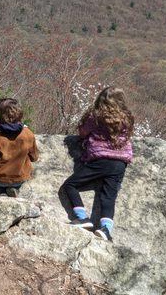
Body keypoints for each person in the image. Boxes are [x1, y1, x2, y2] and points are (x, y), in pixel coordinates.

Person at [61, 86, 134, 241]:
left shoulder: (95, 116)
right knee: (108, 197)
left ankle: (82, 218)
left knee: (70, 185)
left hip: (100, 161)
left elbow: (82, 132)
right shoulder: (127, 117)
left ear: (100, 99)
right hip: (120, 164)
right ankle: (106, 230)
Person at [0, 98, 39, 197]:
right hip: (21, 178)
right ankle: (13, 188)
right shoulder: (28, 134)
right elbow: (34, 157)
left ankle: (1, 191)